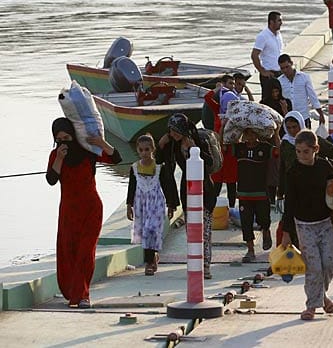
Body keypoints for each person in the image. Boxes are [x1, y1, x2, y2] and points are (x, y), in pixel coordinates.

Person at [280, 130, 333, 321]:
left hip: (325, 223)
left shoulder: (323, 166)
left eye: (305, 151)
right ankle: (312, 306)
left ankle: (322, 296)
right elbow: (289, 204)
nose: (302, 156)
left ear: (315, 149)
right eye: (298, 151)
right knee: (314, 267)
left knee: (330, 264)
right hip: (304, 225)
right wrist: (286, 232)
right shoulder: (293, 171)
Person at [47, 118, 121, 308]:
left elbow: (115, 158)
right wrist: (60, 158)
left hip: (91, 209)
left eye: (67, 137)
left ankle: (83, 296)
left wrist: (101, 142)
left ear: (73, 134)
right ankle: (73, 292)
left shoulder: (88, 151)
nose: (64, 142)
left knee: (86, 253)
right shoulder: (56, 155)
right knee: (69, 252)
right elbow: (51, 179)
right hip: (68, 212)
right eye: (60, 139)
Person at [158, 113, 217, 279]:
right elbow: (161, 163)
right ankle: (195, 264)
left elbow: (209, 164)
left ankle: (205, 266)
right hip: (187, 189)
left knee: (205, 232)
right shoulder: (173, 144)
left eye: (176, 131)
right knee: (192, 232)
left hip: (204, 189)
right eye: (171, 131)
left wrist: (193, 151)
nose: (173, 134)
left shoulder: (198, 141)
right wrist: (161, 146)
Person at [126, 133, 171, 276]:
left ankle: (152, 258)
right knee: (145, 233)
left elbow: (167, 186)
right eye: (141, 150)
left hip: (156, 202)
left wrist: (172, 204)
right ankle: (150, 261)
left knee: (152, 229)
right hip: (141, 204)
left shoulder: (159, 168)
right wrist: (129, 205)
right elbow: (131, 187)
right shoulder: (134, 168)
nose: (144, 153)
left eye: (147, 149)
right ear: (138, 150)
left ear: (153, 149)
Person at [234, 128, 276, 262]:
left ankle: (266, 231)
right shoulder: (239, 148)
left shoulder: (265, 148)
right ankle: (250, 250)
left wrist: (276, 133)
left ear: (258, 134)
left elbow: (279, 152)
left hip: (261, 192)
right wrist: (224, 127)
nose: (250, 137)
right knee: (246, 223)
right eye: (247, 134)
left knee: (264, 218)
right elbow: (223, 145)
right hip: (243, 193)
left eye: (253, 133)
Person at [278, 54, 325, 129]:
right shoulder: (279, 81)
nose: (285, 70)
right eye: (282, 68)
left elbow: (313, 97)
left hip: (304, 117)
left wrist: (321, 114)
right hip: (288, 120)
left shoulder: (304, 77)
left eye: (287, 67)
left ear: (292, 63)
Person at [213, 74, 239, 208]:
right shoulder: (218, 115)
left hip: (231, 153)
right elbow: (207, 98)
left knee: (231, 183)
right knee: (217, 182)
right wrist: (218, 89)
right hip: (220, 153)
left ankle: (232, 208)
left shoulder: (235, 117)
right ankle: (213, 207)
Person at [251, 11, 284, 102]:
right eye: (279, 20)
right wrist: (262, 71)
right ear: (271, 22)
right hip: (269, 74)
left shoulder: (278, 35)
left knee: (280, 98)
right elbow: (254, 55)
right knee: (268, 99)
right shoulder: (263, 36)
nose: (281, 23)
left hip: (279, 73)